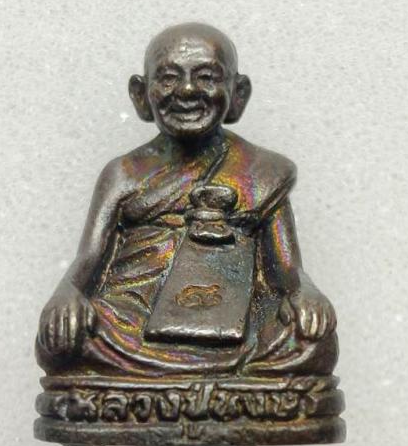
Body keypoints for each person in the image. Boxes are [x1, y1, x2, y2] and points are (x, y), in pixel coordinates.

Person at [36, 22, 338, 378]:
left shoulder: (261, 172)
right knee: (61, 341)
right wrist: (66, 295)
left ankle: (177, 383)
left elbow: (286, 269)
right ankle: (209, 384)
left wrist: (306, 293)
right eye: (168, 78)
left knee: (314, 341)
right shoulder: (123, 174)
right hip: (132, 319)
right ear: (140, 94)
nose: (187, 90)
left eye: (207, 77)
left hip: (237, 318)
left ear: (237, 93)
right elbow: (88, 259)